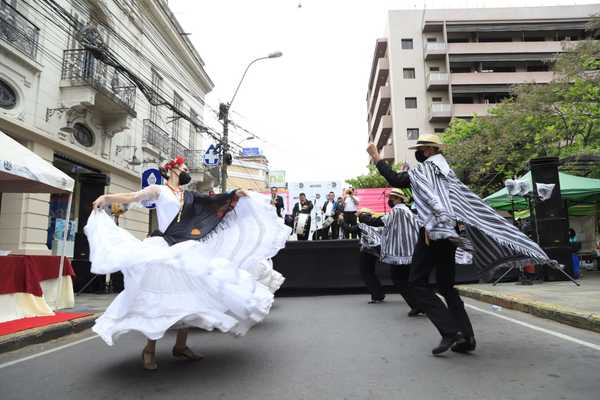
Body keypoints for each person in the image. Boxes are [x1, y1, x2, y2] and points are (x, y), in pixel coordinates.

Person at [86, 156, 291, 370]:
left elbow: (212, 202)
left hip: (187, 247)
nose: (186, 170)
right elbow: (133, 196)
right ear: (172, 169)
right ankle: (149, 349)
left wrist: (234, 195)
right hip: (165, 248)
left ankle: (180, 346)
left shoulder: (189, 195)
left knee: (188, 295)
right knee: (158, 298)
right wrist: (106, 197)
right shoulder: (159, 190)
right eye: (183, 167)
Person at [367, 134, 551, 355]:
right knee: (446, 286)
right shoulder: (447, 172)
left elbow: (397, 179)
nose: (420, 153)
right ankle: (467, 337)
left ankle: (449, 331)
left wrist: (377, 157)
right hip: (450, 232)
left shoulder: (425, 170)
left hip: (433, 232)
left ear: (429, 151)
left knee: (416, 282)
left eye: (422, 149)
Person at [359, 190, 422, 316]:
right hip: (411, 251)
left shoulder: (398, 210)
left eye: (392, 198)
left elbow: (379, 222)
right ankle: (419, 304)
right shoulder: (408, 210)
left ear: (398, 199)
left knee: (399, 278)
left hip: (402, 253)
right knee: (409, 280)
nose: (390, 200)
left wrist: (363, 217)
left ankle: (418, 305)